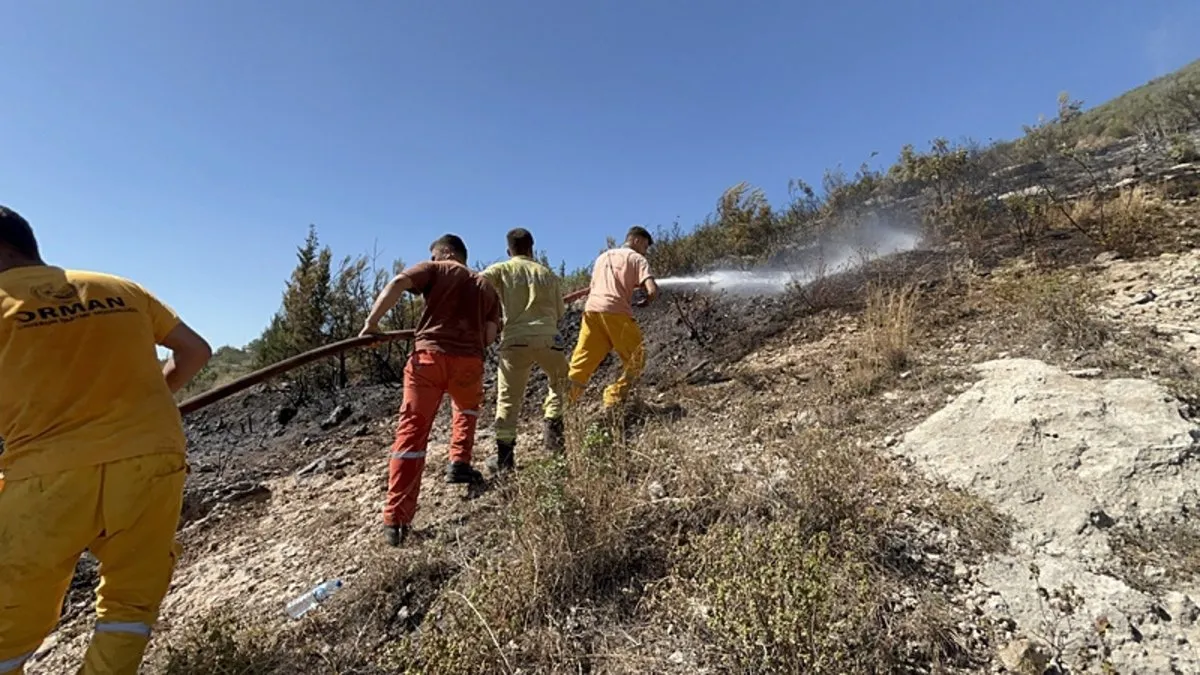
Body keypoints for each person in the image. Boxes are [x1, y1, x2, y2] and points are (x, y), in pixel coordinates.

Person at [0, 205, 213, 674]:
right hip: (151, 459)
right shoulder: (118, 287)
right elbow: (196, 351)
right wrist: (139, 404)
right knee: (127, 608)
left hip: (45, 474)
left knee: (9, 624)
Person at [360, 234, 501, 547]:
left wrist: (372, 325)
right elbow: (491, 334)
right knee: (466, 411)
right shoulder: (486, 286)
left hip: (428, 360)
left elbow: (398, 282)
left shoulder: (437, 269)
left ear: (447, 253)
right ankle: (459, 464)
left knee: (412, 435)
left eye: (436, 256)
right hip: (469, 362)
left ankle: (397, 521)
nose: (435, 260)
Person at [479, 228, 569, 472]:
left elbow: (478, 283)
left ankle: (505, 461)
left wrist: (492, 315)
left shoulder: (503, 269)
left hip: (515, 340)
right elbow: (560, 313)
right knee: (561, 382)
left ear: (509, 251)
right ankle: (554, 437)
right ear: (532, 248)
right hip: (549, 339)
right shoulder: (547, 274)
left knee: (508, 399)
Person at [567, 225, 659, 408]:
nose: (645, 252)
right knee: (637, 357)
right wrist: (648, 299)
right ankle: (614, 397)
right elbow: (652, 289)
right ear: (636, 241)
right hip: (616, 312)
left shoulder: (602, 257)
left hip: (592, 312)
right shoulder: (636, 258)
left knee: (581, 363)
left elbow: (598, 286)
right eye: (646, 247)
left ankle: (560, 406)